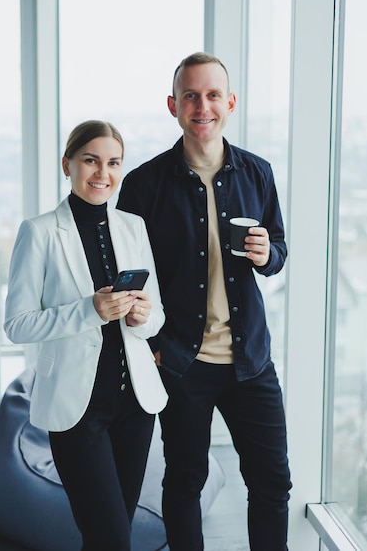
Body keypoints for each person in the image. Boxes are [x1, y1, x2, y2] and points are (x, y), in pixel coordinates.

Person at [117, 52, 292, 551]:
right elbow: (125, 276)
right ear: (173, 105)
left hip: (250, 362)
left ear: (230, 103)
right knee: (184, 482)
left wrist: (267, 253)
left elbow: (279, 248)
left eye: (213, 94)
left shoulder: (257, 173)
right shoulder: (144, 185)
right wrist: (144, 340)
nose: (202, 105)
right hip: (180, 361)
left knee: (272, 485)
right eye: (191, 95)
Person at [4, 120, 168, 551]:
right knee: (111, 537)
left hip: (135, 405)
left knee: (109, 536)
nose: (102, 173)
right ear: (68, 164)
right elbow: (17, 324)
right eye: (90, 160)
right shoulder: (38, 232)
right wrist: (88, 310)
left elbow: (157, 317)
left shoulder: (134, 227)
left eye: (113, 162)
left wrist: (142, 317)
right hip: (77, 410)